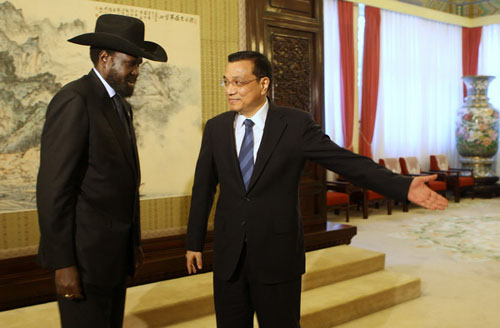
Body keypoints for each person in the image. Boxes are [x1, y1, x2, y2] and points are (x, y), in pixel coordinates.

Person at [185, 50, 448, 328]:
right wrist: (194, 241)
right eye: (226, 82)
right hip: (229, 254)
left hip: (277, 253)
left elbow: (345, 161)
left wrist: (402, 185)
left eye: (238, 82)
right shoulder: (215, 128)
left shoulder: (294, 125)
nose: (230, 90)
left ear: (263, 84)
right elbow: (203, 188)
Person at [36, 14, 167, 327]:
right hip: (83, 262)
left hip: (114, 257)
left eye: (139, 65)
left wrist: (132, 243)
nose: (136, 72)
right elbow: (54, 189)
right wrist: (63, 263)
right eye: (131, 63)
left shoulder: (121, 105)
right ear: (105, 58)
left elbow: (121, 182)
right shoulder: (74, 100)